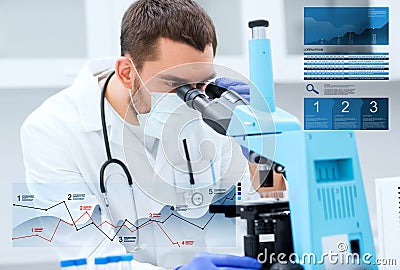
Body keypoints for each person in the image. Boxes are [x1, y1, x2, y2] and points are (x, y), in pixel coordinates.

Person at [20, 0, 269, 269]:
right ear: (127, 73)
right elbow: (89, 255)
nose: (193, 99)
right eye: (176, 85)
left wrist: (262, 149)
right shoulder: (51, 131)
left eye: (201, 82)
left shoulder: (209, 116)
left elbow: (251, 216)